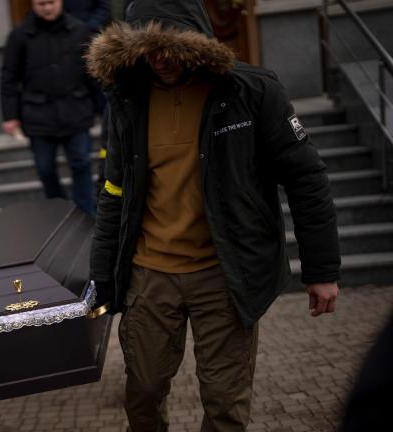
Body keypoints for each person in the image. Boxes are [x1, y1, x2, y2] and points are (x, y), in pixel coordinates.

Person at [85, 1, 341, 430]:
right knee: (143, 391)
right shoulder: (128, 99)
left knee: (225, 403)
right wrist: (103, 277)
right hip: (150, 274)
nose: (160, 60)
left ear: (196, 42)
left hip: (225, 275)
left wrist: (322, 269)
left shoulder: (252, 92)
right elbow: (113, 192)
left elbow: (306, 178)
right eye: (148, 49)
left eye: (170, 47)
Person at [0, 0, 97, 216]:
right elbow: (9, 77)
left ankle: (86, 214)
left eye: (51, 2)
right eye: (41, 3)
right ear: (33, 5)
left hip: (76, 111)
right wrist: (10, 116)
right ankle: (59, 213)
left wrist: (102, 107)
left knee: (81, 163)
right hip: (38, 115)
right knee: (45, 169)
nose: (47, 8)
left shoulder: (80, 31)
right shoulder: (20, 35)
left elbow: (93, 74)